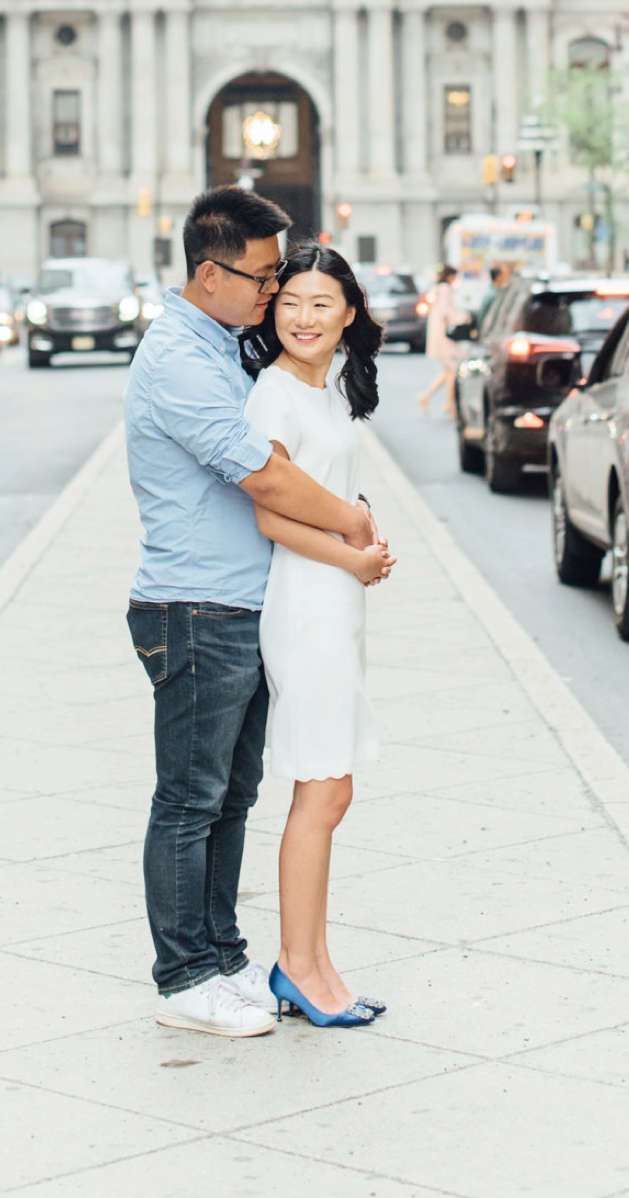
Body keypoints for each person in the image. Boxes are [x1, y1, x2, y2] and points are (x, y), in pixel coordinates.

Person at [124, 189, 383, 1040]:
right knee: (191, 798)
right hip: (194, 602)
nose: (275, 293)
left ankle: (224, 953)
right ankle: (184, 975)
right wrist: (349, 521)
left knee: (232, 794)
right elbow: (265, 478)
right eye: (266, 276)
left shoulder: (225, 344)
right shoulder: (179, 358)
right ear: (210, 272)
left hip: (240, 601)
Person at [242, 243, 394, 1027]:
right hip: (305, 603)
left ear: (348, 314)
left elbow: (330, 490)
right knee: (321, 786)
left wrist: (363, 549)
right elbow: (270, 513)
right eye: (290, 300)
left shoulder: (329, 387)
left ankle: (316, 961)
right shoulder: (272, 391)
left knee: (332, 785)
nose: (303, 317)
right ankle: (297, 967)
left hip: (336, 598)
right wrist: (352, 556)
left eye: (321, 303)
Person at [416, 263, 463, 418]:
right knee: (451, 372)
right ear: (450, 276)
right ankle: (449, 405)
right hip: (445, 337)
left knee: (449, 372)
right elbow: (446, 312)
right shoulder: (445, 289)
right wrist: (463, 317)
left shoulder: (438, 288)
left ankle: (433, 399)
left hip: (439, 334)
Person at [475, 259, 513, 334]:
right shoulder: (493, 295)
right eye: (503, 275)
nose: (505, 277)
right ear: (498, 277)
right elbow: (484, 314)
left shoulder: (496, 292)